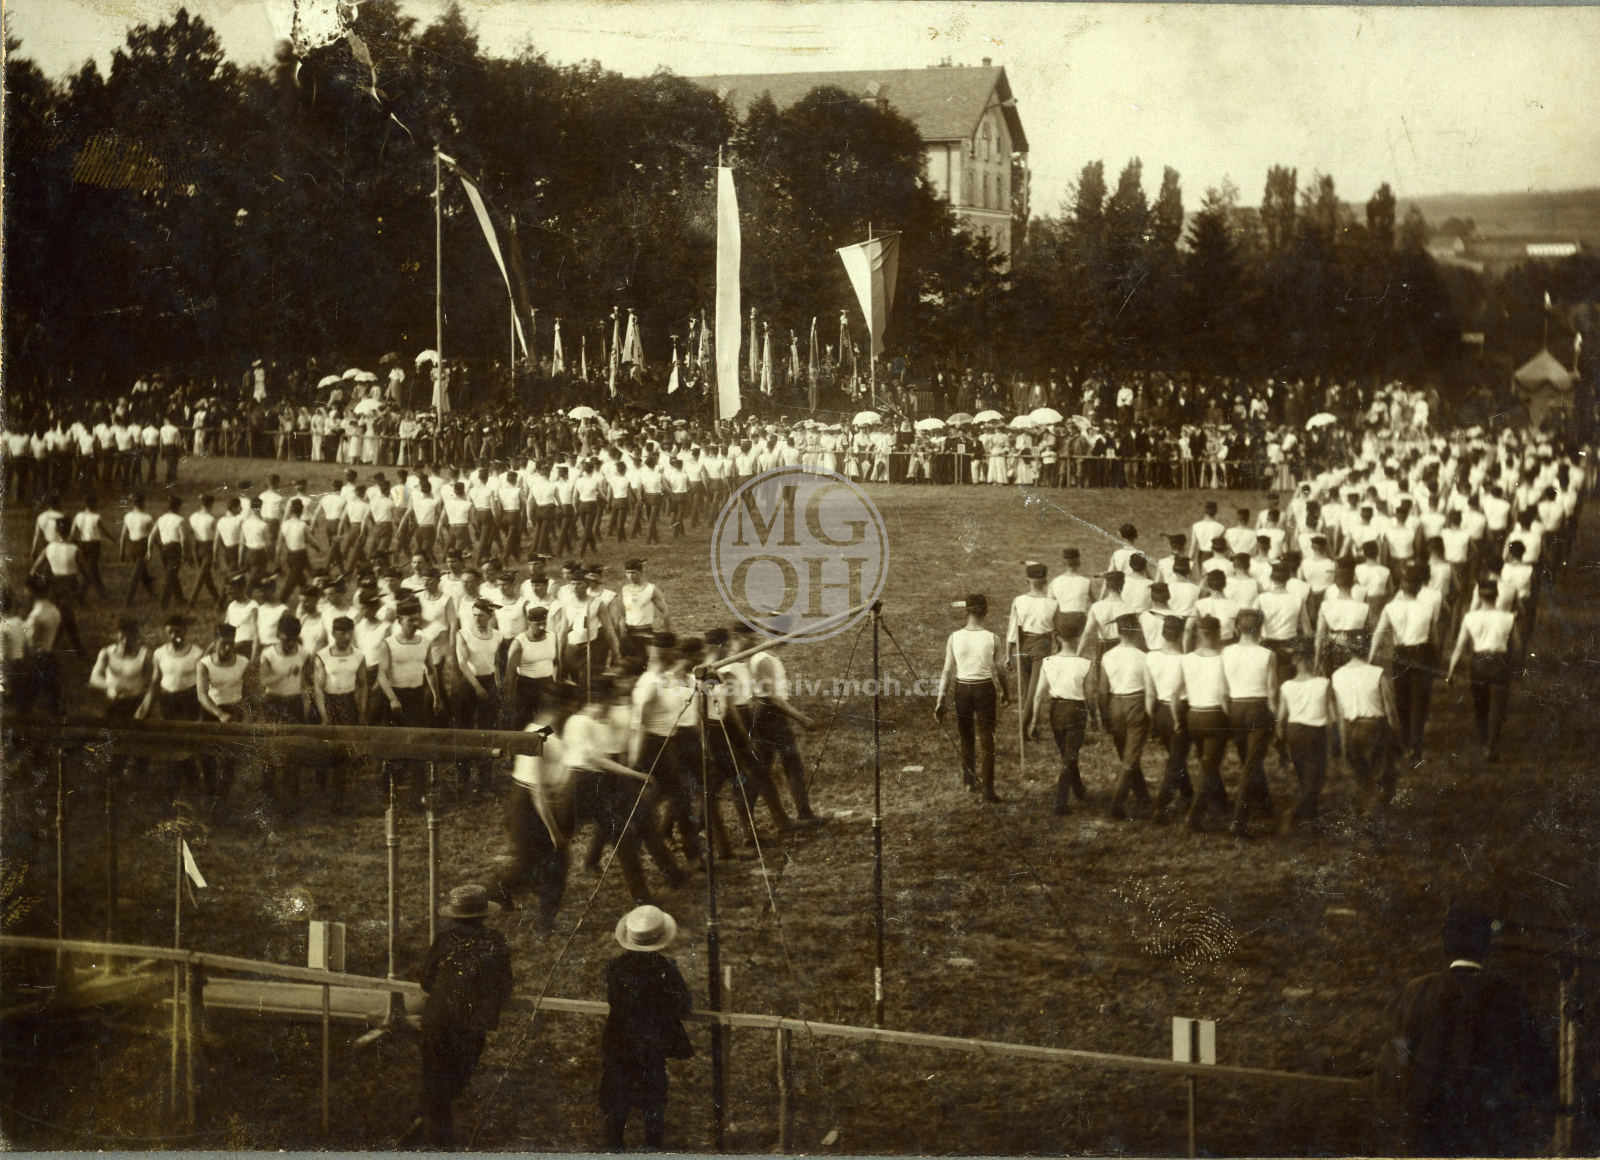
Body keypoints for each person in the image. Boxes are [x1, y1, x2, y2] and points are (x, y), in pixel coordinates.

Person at [1375, 903, 1553, 1157]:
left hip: (1425, 1137)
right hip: (1488, 1135)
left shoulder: (1417, 992)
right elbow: (1539, 1069)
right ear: (1486, 945)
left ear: (1446, 942)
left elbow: (1393, 1063)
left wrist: (1404, 1115)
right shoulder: (1508, 997)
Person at [414, 884, 514, 1151]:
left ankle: (434, 1132)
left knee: (436, 1082)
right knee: (455, 1081)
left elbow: (426, 981)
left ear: (454, 915)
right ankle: (438, 1139)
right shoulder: (496, 941)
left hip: (437, 1020)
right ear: (484, 915)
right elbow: (506, 987)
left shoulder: (444, 939)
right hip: (470, 1025)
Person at [599, 905, 695, 1151]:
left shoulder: (615, 967)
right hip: (650, 1043)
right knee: (652, 1097)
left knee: (617, 1094)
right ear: (661, 940)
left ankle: (613, 1146)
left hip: (619, 1040)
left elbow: (612, 999)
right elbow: (682, 1004)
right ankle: (652, 1147)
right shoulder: (666, 969)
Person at [934, 594, 1009, 802]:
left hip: (962, 690)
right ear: (984, 612)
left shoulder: (954, 637)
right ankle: (988, 788)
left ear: (966, 612)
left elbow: (947, 671)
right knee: (987, 739)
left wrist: (940, 700)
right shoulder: (993, 638)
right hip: (984, 689)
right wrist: (1006, 691)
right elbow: (1001, 671)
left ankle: (968, 781)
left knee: (966, 736)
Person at [1446, 580, 1520, 762]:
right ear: (1497, 596)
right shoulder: (1508, 617)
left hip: (1478, 663)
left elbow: (1458, 648)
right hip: (1500, 662)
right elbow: (1517, 647)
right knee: (1498, 707)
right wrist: (1514, 666)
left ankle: (1484, 740)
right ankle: (1492, 747)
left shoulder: (1470, 618)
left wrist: (1450, 672)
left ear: (1479, 596)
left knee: (1481, 706)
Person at [1027, 611, 1092, 815]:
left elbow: (1038, 696)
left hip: (1055, 712)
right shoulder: (1084, 663)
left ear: (1059, 638)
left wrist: (1034, 722)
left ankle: (1079, 788)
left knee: (1067, 754)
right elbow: (1090, 697)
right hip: (1076, 711)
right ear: (1077, 638)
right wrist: (1096, 717)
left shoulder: (1048, 662)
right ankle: (1060, 802)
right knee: (1069, 756)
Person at [1276, 638, 1333, 832]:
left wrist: (1280, 743)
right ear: (1312, 659)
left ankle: (1313, 822)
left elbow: (1281, 718)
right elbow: (1331, 714)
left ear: (1294, 662)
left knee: (1306, 778)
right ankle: (1292, 814)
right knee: (1314, 780)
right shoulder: (1323, 683)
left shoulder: (1286, 686)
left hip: (1294, 733)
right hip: (1315, 734)